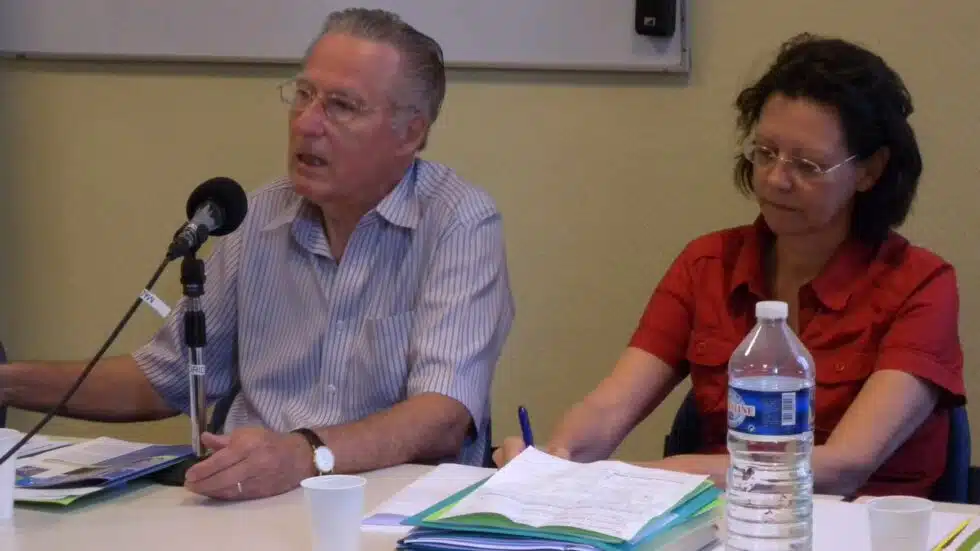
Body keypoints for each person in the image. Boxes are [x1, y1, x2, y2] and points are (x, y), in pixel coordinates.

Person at [0, 8, 514, 501]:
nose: (307, 123)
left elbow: (441, 417)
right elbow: (165, 380)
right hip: (247, 503)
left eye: (342, 106)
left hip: (380, 512)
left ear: (410, 133)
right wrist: (10, 384)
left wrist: (307, 455)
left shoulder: (458, 221)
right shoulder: (260, 215)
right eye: (304, 95)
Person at [495, 33, 964, 499]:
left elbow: (845, 464)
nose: (776, 179)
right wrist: (556, 459)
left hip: (866, 524)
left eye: (807, 165)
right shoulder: (709, 264)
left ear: (869, 171)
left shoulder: (920, 284)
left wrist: (644, 476)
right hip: (732, 521)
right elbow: (609, 407)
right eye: (765, 153)